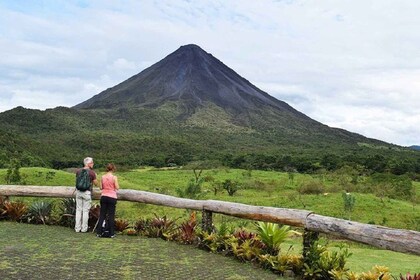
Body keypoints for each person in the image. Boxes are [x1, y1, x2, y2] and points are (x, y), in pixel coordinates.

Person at [75, 157, 98, 233]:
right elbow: (96, 183)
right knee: (85, 211)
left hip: (78, 192)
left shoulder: (78, 171)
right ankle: (84, 229)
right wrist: (96, 177)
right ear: (88, 164)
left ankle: (77, 228)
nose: (93, 164)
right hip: (87, 193)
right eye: (92, 163)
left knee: (78, 210)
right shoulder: (92, 173)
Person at [96, 163, 120, 238]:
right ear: (113, 169)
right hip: (112, 197)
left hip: (104, 196)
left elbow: (100, 187)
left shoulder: (102, 177)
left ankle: (99, 232)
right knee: (111, 215)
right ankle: (111, 233)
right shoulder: (114, 177)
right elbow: (117, 187)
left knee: (102, 215)